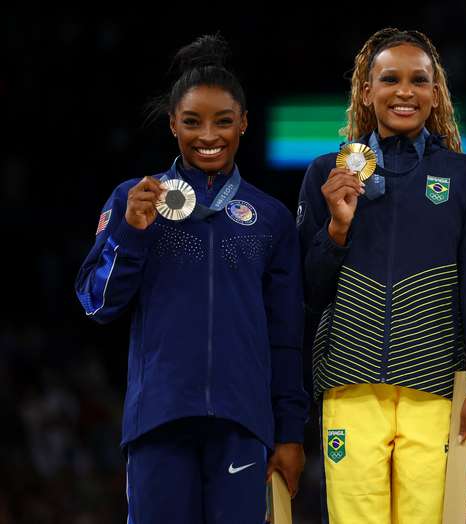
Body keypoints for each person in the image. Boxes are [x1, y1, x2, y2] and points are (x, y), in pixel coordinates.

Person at [74, 34, 307, 523]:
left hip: (242, 422)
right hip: (158, 419)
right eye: (192, 121)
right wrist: (132, 234)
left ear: (244, 123)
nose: (209, 135)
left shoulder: (270, 218)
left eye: (224, 121)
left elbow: (286, 337)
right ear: (171, 124)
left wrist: (289, 432)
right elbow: (97, 304)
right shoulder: (135, 200)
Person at [296, 28, 466, 524]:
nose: (405, 91)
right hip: (349, 388)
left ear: (436, 94)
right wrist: (336, 227)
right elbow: (308, 291)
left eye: (419, 80)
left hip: (437, 391)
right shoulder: (327, 174)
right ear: (366, 91)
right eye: (390, 78)